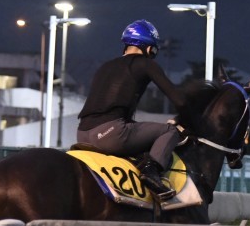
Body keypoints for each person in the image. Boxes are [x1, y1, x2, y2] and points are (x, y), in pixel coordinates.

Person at [77, 19, 187, 201]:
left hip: (82, 134)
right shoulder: (146, 64)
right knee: (168, 131)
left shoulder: (105, 66)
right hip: (111, 135)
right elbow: (179, 100)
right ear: (149, 48)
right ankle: (151, 173)